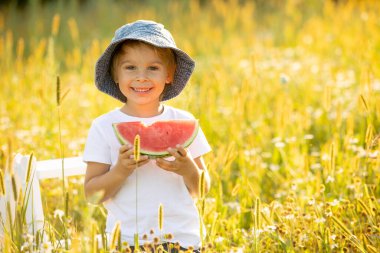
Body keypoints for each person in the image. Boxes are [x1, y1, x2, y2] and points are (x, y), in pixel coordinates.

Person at [83, 20, 211, 252]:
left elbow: (202, 189)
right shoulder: (103, 127)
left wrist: (188, 169)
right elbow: (92, 195)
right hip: (128, 242)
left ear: (169, 75)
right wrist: (120, 171)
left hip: (182, 240)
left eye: (153, 68)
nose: (141, 77)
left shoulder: (184, 121)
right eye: (130, 67)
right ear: (115, 75)